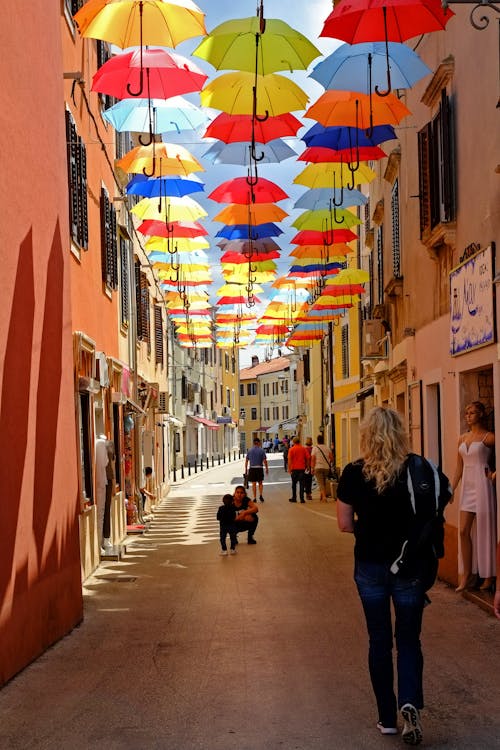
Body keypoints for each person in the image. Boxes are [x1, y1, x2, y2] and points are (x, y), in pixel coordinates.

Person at [337, 407, 442, 745]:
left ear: (367, 434)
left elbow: (343, 523)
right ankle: (409, 701)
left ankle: (386, 718)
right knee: (409, 639)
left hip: (369, 566)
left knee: (379, 640)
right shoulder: (415, 469)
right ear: (401, 433)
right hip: (409, 566)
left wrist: (367, 530)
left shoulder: (353, 473)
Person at [451, 401, 496, 592]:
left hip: (483, 485)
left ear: (481, 415)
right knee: (463, 532)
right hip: (467, 487)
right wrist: (451, 489)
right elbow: (459, 468)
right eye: (466, 413)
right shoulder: (461, 439)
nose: (468, 416)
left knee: (486, 531)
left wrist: (495, 474)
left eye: (472, 413)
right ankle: (467, 575)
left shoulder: (489, 437)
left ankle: (489, 577)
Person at [311, 434, 333, 503]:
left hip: (318, 467)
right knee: (323, 482)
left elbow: (313, 459)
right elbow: (331, 458)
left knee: (320, 483)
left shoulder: (315, 448)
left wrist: (312, 468)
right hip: (326, 468)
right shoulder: (327, 448)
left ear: (317, 441)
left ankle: (324, 497)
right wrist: (328, 462)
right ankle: (321, 495)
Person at [245, 437, 268, 502]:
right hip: (259, 468)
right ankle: (260, 495)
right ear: (258, 443)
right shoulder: (262, 450)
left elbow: (246, 461)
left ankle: (254, 498)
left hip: (252, 469)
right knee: (260, 483)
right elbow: (264, 460)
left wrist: (246, 469)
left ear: (254, 443)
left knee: (254, 484)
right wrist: (266, 468)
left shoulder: (250, 450)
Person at [287, 436, 310, 503]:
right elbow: (308, 458)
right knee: (302, 484)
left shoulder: (291, 449)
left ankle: (294, 498)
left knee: (294, 484)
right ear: (299, 441)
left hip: (294, 469)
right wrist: (308, 466)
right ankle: (302, 498)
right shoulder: (303, 449)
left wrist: (289, 468)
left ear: (293, 442)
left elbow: (289, 460)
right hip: (302, 469)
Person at [303, 437, 314, 501]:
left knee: (305, 481)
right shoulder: (313, 449)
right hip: (311, 466)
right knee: (309, 481)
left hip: (305, 467)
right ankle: (309, 494)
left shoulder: (304, 449)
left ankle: (307, 494)